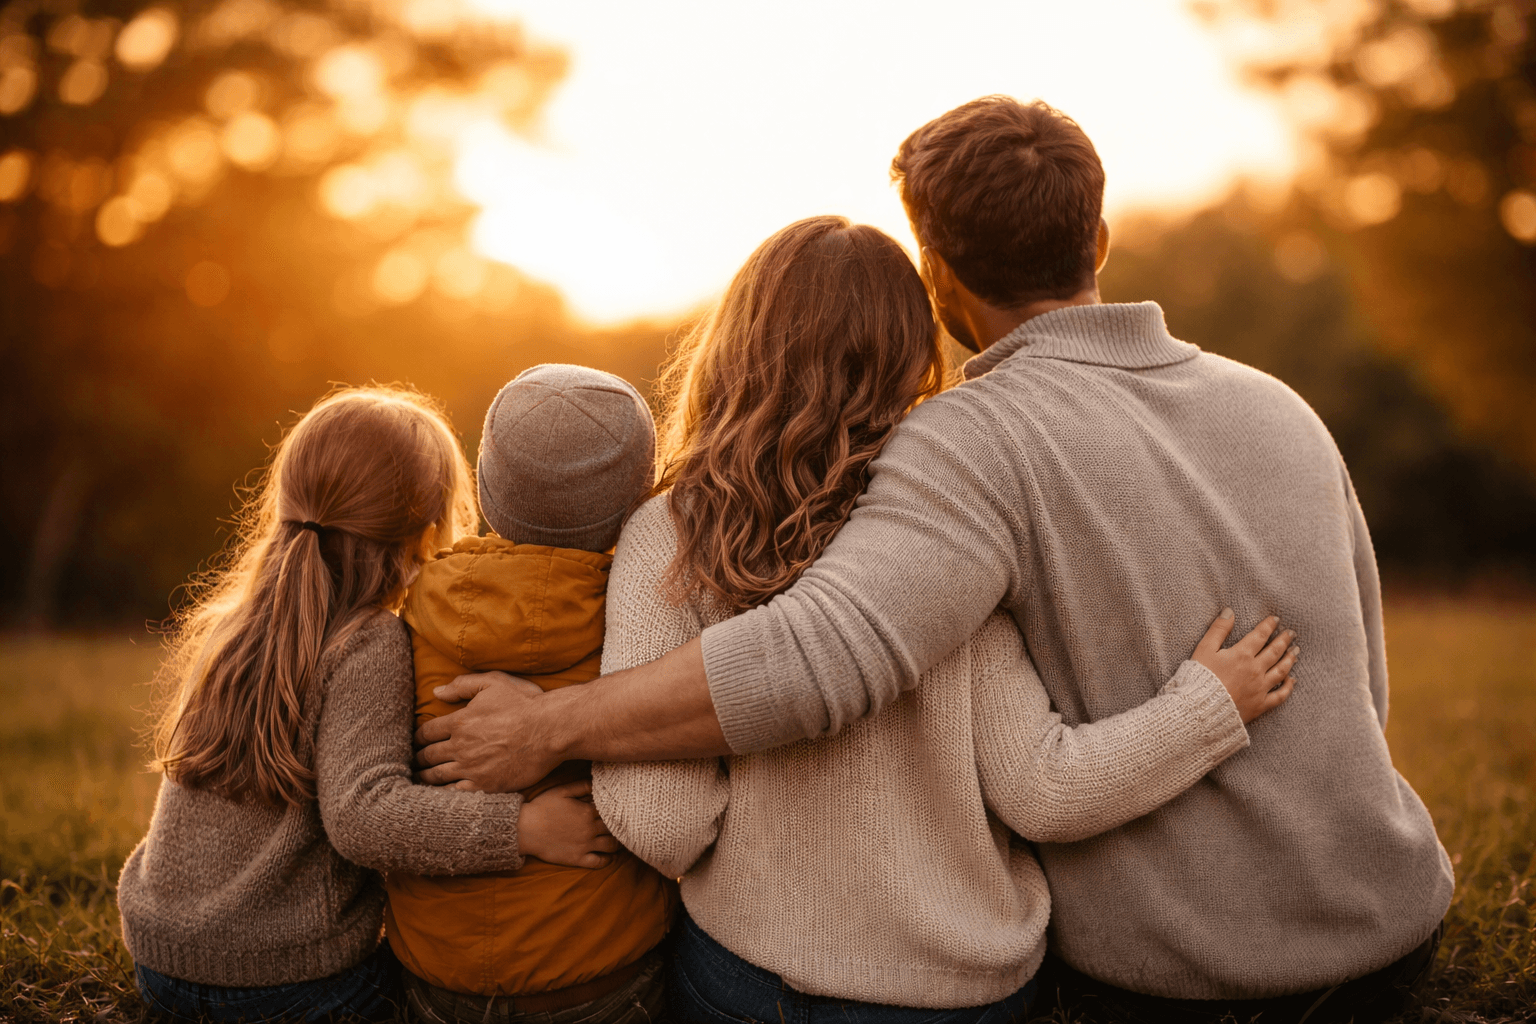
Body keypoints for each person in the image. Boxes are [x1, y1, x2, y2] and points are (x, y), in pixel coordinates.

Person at [416, 98, 1455, 1023]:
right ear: (1098, 234)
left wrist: (550, 722)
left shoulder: (970, 444)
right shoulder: (1281, 407)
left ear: (941, 277)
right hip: (1394, 927)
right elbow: (1363, 679)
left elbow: (815, 661)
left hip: (1181, 977)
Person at [587, 214, 1298, 1024]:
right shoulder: (949, 520)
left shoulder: (671, 535)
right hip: (971, 992)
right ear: (912, 354)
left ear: (736, 345)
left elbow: (659, 820)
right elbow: (1043, 791)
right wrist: (1206, 704)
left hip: (763, 985)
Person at [118, 386, 614, 1022]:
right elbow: (366, 818)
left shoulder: (231, 623)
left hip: (162, 961)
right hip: (283, 983)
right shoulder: (368, 639)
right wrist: (524, 827)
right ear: (430, 531)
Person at [387, 365, 674, 1024]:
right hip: (599, 976)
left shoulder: (410, 608)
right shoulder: (648, 618)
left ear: (486, 487)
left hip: (435, 974)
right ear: (638, 499)